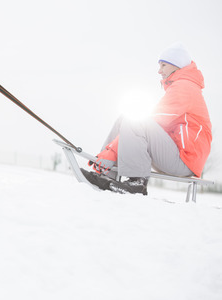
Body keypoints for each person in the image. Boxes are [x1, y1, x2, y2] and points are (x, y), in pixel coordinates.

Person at [82, 42, 212, 195]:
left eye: (163, 65)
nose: (159, 70)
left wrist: (112, 152)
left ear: (176, 66)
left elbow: (152, 120)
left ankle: (137, 182)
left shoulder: (185, 88)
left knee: (135, 119)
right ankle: (105, 172)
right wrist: (109, 153)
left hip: (185, 160)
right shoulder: (181, 86)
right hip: (176, 154)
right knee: (125, 118)